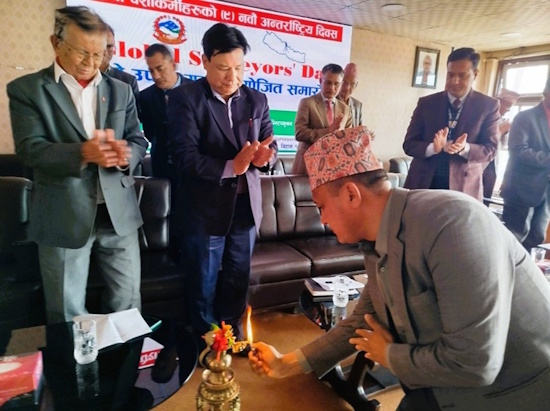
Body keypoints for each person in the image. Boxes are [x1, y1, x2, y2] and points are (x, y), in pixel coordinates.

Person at [249, 126, 550, 411]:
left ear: (352, 194)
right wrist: (287, 362)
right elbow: (362, 322)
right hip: (434, 384)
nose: (322, 219)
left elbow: (475, 363)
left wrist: (390, 355)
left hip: (510, 394)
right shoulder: (377, 240)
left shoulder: (453, 223)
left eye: (321, 206)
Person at [6, 6, 147, 323]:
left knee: (128, 304)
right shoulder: (28, 90)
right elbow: (31, 150)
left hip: (117, 215)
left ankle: (125, 356)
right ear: (56, 43)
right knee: (66, 311)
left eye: (99, 54)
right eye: (82, 52)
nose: (91, 63)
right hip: (63, 215)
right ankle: (73, 358)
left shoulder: (120, 90)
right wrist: (84, 153)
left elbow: (138, 140)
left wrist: (126, 155)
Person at [166, 23, 277, 345]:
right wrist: (232, 166)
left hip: (244, 207)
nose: (233, 77)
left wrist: (264, 159)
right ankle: (208, 338)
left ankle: (232, 332)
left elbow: (268, 145)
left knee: (238, 277)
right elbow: (183, 156)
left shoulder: (256, 99)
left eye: (239, 68)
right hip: (205, 209)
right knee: (203, 280)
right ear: (204, 61)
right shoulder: (185, 98)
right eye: (223, 68)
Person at [403, 47, 500, 201]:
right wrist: (433, 148)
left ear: (475, 74)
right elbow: (409, 144)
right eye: (450, 75)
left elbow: (491, 149)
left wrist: (465, 148)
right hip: (423, 184)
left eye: (462, 76)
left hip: (464, 188)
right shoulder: (426, 103)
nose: (454, 81)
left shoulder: (487, 106)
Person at [501, 78, 550, 251]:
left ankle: (527, 269)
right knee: (513, 241)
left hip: (546, 193)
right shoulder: (525, 117)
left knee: (537, 239)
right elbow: (518, 151)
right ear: (546, 91)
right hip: (521, 191)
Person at [140, 44, 192, 187]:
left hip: (193, 169)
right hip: (162, 169)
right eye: (151, 71)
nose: (156, 76)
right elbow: (150, 133)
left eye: (160, 69)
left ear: (173, 65)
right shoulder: (145, 97)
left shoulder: (197, 91)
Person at [291, 63, 352, 174]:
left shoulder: (345, 109)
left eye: (336, 84)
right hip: (307, 167)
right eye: (328, 83)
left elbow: (347, 138)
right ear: (320, 81)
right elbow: (299, 133)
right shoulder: (307, 103)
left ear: (341, 84)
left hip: (333, 168)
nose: (332, 88)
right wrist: (328, 131)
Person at [482, 88, 520, 204]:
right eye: (508, 105)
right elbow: (484, 141)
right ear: (498, 101)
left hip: (493, 163)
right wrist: (501, 130)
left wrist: (507, 131)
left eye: (511, 106)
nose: (508, 109)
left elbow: (503, 145)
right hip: (480, 162)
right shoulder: (483, 117)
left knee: (487, 196)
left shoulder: (504, 120)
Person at [99, 24, 140, 115]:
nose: (105, 52)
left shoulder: (128, 81)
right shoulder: (77, 76)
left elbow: (133, 119)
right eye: (102, 46)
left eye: (109, 47)